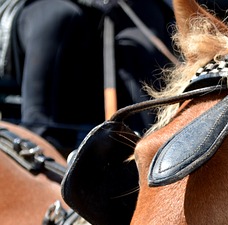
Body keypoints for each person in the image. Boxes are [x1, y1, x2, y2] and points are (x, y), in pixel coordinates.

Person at [10, 0, 174, 156]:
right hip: (49, 4)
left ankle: (151, 154)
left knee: (142, 48)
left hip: (127, 6)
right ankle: (40, 148)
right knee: (58, 20)